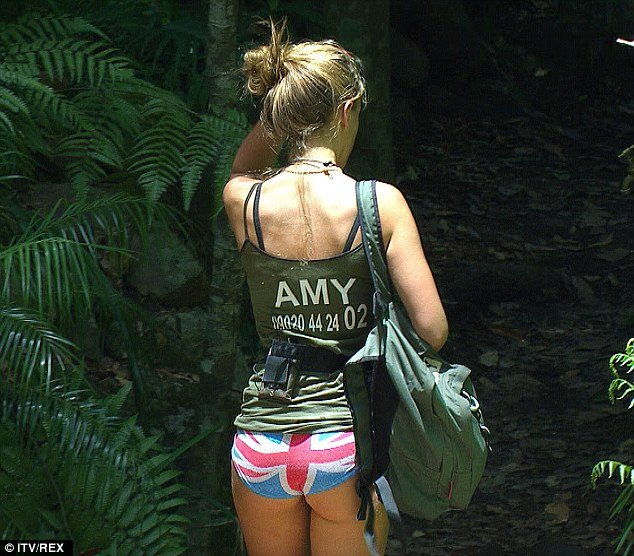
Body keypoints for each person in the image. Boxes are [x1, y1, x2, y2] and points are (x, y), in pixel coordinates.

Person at [223, 20, 448, 556]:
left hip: (260, 442)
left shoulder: (244, 203)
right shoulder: (380, 203)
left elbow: (243, 166)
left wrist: (279, 112)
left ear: (283, 113)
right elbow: (433, 330)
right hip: (343, 444)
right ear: (346, 113)